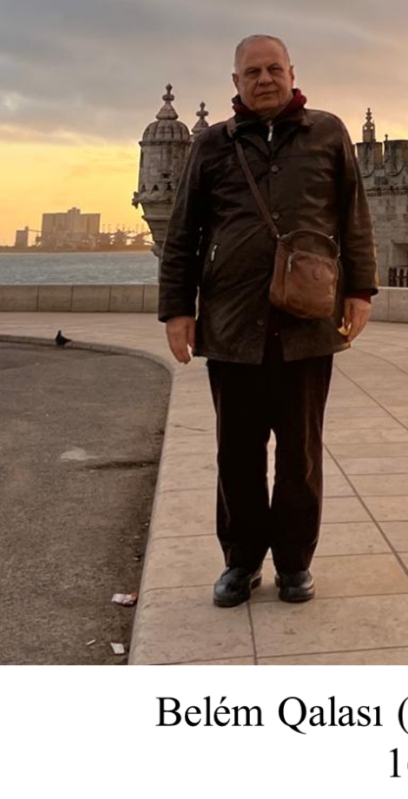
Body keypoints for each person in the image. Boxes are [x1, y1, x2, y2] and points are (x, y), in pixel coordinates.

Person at [158, 35, 377, 609]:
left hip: (307, 324)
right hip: (232, 324)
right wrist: (178, 310)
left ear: (292, 73)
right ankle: (241, 562)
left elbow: (354, 216)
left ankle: (295, 564)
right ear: (236, 82)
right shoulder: (209, 146)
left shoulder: (328, 133)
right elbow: (183, 234)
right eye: (251, 71)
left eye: (273, 69)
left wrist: (360, 290)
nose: (264, 79)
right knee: (237, 453)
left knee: (300, 454)